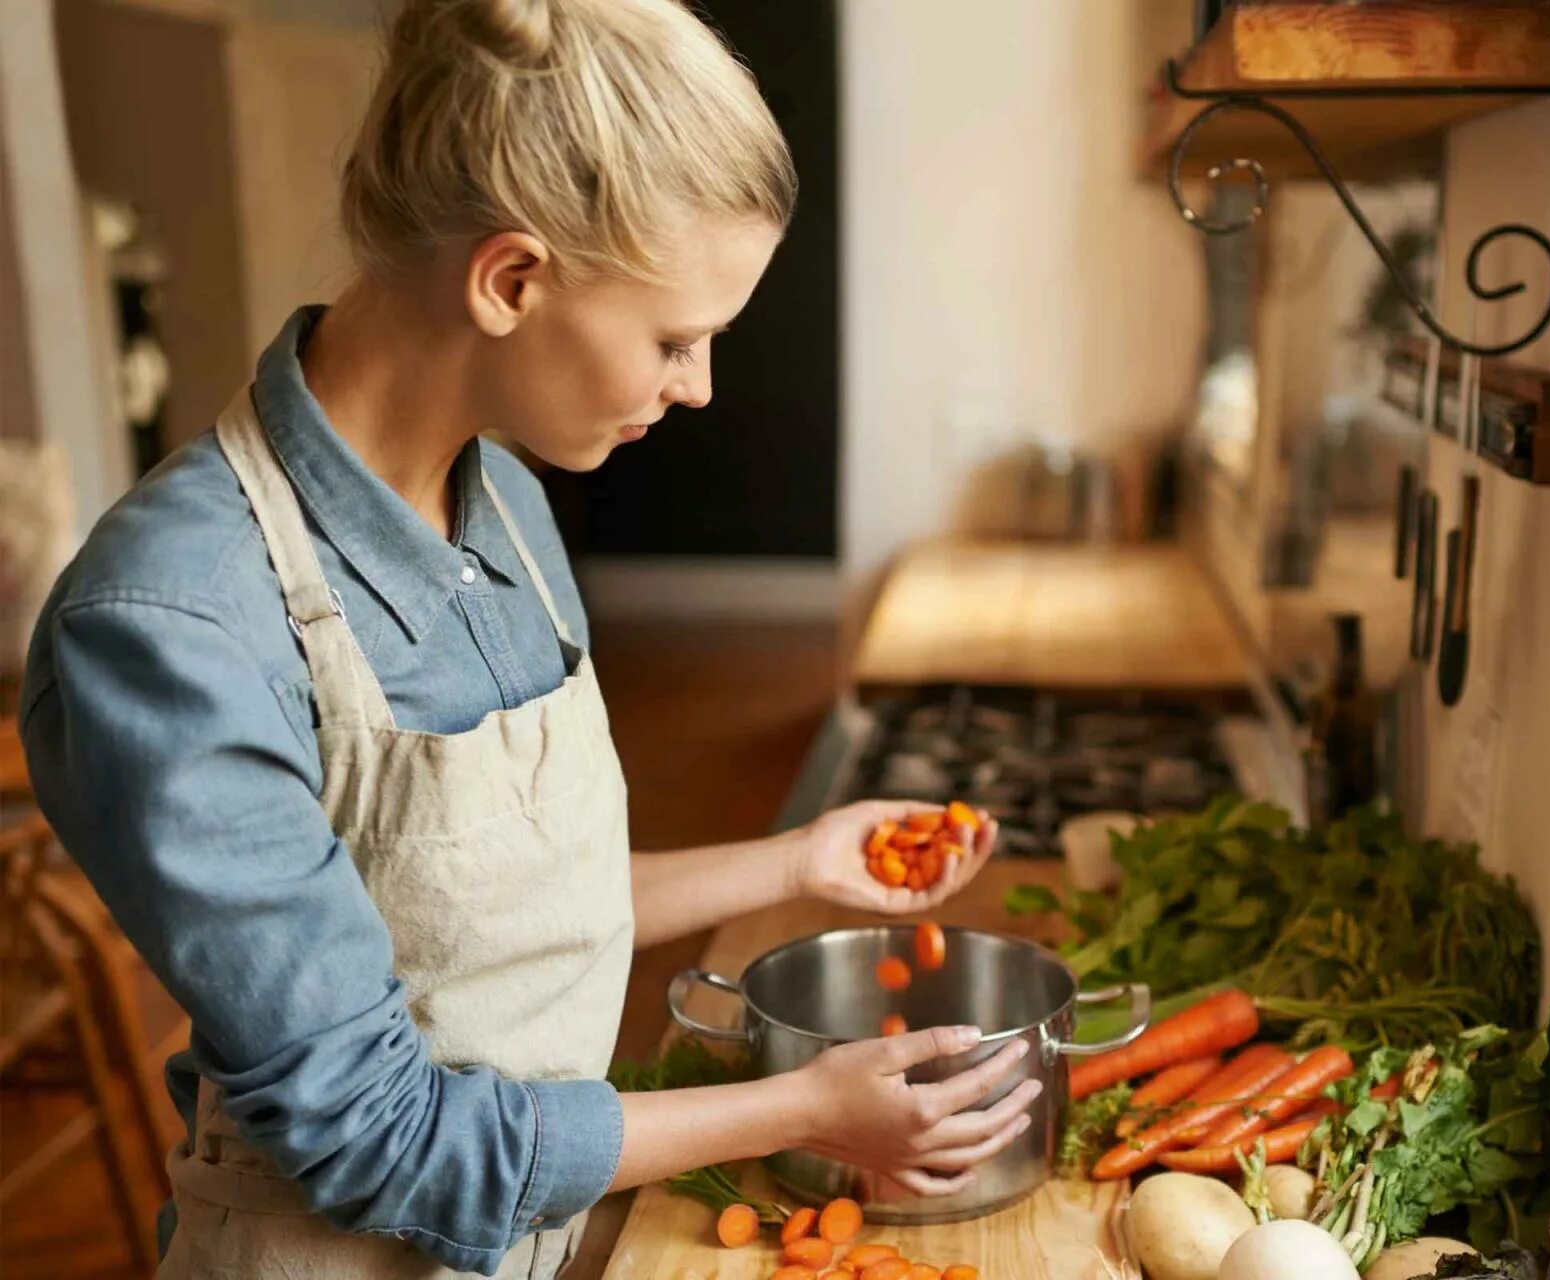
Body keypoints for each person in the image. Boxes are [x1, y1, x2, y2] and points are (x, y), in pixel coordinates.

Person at [19, 1, 1035, 1274]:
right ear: (510, 280)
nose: (701, 384)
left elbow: (491, 916)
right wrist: (809, 1108)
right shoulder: (172, 624)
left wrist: (797, 864)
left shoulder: (505, 505)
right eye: (676, 339)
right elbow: (379, 1134)